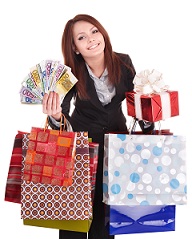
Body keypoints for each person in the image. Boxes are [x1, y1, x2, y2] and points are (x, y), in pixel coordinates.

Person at [42, 14, 154, 239]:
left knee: (107, 219)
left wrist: (151, 114)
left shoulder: (123, 62)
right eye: (82, 37)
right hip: (80, 150)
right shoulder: (69, 73)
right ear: (74, 47)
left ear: (102, 33)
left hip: (118, 149)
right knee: (73, 220)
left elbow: (137, 105)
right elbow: (60, 116)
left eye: (94, 31)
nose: (91, 39)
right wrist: (55, 115)